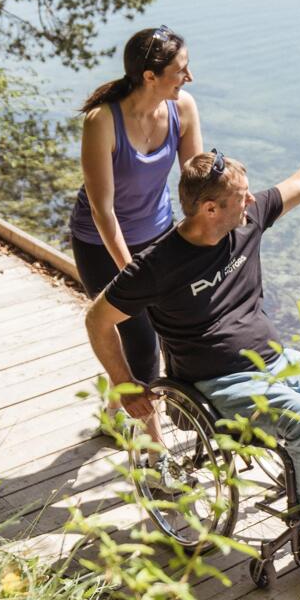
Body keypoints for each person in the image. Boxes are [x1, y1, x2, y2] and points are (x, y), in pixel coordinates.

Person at [84, 128, 300, 577]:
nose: (251, 202)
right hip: (215, 384)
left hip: (275, 362)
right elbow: (97, 319)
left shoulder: (245, 220)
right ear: (209, 209)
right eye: (241, 198)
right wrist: (127, 386)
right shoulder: (157, 264)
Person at [68, 24, 202, 385]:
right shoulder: (102, 121)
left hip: (157, 232)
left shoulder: (183, 108)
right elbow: (102, 211)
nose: (189, 77)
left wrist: (223, 209)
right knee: (141, 339)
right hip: (101, 242)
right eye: (180, 70)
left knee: (177, 324)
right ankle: (146, 435)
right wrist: (132, 274)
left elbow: (195, 183)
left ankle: (142, 409)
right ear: (149, 76)